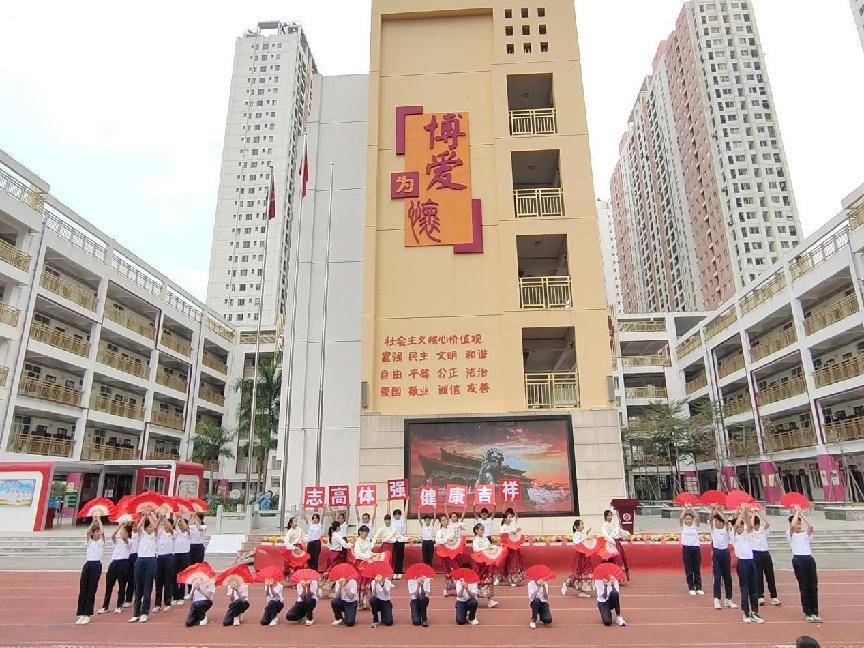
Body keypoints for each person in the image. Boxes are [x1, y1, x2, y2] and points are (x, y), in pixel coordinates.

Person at [788, 506, 821, 623]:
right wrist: (796, 512)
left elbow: (810, 526)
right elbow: (792, 526)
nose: (798, 526)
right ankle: (807, 612)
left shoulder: (804, 534)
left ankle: (815, 612)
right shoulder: (790, 534)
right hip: (798, 560)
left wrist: (802, 515)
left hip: (809, 559)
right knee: (804, 586)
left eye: (799, 524)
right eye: (797, 523)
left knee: (813, 586)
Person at [732, 505, 763, 624]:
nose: (740, 528)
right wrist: (740, 514)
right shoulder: (734, 536)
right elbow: (735, 526)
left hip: (751, 561)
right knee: (744, 588)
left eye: (741, 526)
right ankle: (746, 612)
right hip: (742, 562)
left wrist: (747, 512)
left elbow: (750, 525)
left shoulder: (746, 534)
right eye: (739, 527)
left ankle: (754, 612)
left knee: (753, 588)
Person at [75, 517, 105, 625]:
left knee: (91, 590)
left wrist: (99, 520)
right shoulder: (89, 542)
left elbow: (102, 531)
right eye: (96, 532)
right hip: (88, 565)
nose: (98, 533)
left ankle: (87, 614)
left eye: (98, 532)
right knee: (83, 590)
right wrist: (93, 521)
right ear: (93, 533)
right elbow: (88, 532)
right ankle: (81, 613)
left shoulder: (101, 542)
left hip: (96, 565)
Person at [130, 513, 158, 623]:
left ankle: (144, 612)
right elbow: (137, 527)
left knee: (148, 586)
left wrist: (150, 515)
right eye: (149, 527)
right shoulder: (141, 534)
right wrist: (143, 517)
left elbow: (156, 526)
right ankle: (136, 613)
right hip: (140, 560)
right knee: (138, 587)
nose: (151, 528)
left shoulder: (154, 535)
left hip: (151, 560)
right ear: (146, 528)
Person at [98, 522, 131, 615]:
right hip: (114, 563)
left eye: (124, 531)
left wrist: (124, 528)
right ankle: (105, 606)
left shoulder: (129, 541)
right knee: (109, 586)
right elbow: (112, 536)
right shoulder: (118, 541)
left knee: (122, 586)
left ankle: (119, 605)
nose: (122, 532)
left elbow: (124, 537)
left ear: (127, 533)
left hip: (123, 563)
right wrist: (119, 526)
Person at [709, 507, 736, 611]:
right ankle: (717, 599)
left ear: (720, 522)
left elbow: (726, 520)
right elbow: (710, 518)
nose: (715, 522)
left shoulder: (726, 529)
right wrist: (714, 509)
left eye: (717, 521)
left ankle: (728, 599)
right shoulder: (713, 529)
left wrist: (719, 511)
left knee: (727, 577)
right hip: (716, 553)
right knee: (717, 577)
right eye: (715, 521)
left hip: (725, 553)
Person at [470, 523, 501, 608]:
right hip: (479, 564)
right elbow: (476, 549)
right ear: (476, 531)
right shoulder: (475, 540)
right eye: (481, 529)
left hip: (487, 563)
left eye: (483, 529)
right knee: (477, 580)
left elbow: (490, 546)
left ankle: (490, 600)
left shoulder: (485, 538)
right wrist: (485, 549)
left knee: (488, 580)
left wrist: (495, 547)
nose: (483, 531)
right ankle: (474, 599)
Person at [751, 515, 780, 606]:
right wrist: (752, 514)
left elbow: (768, 523)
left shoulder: (763, 529)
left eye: (757, 525)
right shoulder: (750, 531)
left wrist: (758, 513)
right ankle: (760, 596)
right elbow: (750, 524)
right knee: (758, 576)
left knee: (770, 575)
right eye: (755, 525)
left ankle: (774, 597)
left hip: (765, 553)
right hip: (756, 553)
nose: (756, 526)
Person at [562, 517, 592, 598]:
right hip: (580, 556)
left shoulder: (583, 533)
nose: (583, 525)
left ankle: (582, 590)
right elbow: (576, 542)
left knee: (585, 572)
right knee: (578, 572)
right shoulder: (576, 535)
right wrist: (584, 538)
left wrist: (587, 535)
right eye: (581, 524)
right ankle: (569, 585)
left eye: (583, 523)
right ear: (577, 526)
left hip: (585, 555)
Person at [435, 514, 463, 597]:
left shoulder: (451, 528)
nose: (445, 521)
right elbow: (437, 540)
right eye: (443, 520)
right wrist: (446, 539)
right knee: (447, 571)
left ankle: (458, 588)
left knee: (456, 569)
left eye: (446, 520)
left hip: (452, 552)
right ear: (440, 522)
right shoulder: (440, 531)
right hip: (444, 553)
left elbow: (461, 526)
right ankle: (446, 589)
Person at [679, 503, 704, 596]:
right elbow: (681, 517)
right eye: (687, 519)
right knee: (688, 568)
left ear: (692, 520)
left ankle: (699, 587)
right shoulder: (683, 526)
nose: (688, 520)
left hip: (696, 549)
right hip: (686, 549)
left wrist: (692, 509)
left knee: (696, 568)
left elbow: (697, 517)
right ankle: (691, 587)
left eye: (690, 519)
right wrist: (685, 509)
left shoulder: (695, 526)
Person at [601, 509, 631, 581]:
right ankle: (610, 575)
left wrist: (626, 533)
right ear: (605, 517)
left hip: (616, 543)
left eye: (611, 515)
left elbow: (620, 531)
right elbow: (605, 534)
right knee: (611, 559)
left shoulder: (614, 524)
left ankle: (618, 576)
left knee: (619, 558)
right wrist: (611, 540)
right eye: (609, 515)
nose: (610, 517)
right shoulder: (604, 526)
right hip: (610, 544)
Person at [154, 517, 176, 612]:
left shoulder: (173, 534)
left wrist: (164, 518)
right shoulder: (160, 533)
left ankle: (167, 602)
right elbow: (155, 528)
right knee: (158, 582)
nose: (165, 526)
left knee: (168, 581)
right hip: (159, 558)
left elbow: (170, 528)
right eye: (164, 525)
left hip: (169, 557)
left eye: (166, 525)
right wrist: (159, 519)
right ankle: (157, 604)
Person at [500, 508, 524, 586]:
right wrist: (510, 533)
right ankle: (507, 579)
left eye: (511, 517)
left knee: (514, 564)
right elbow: (502, 536)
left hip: (514, 548)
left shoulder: (512, 525)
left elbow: (516, 535)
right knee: (507, 564)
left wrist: (517, 531)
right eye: (509, 517)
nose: (510, 519)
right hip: (507, 549)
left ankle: (513, 580)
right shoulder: (503, 527)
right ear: (505, 518)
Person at [172, 517, 191, 605]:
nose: (180, 525)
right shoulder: (176, 533)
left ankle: (181, 597)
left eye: (182, 524)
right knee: (175, 576)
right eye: (179, 524)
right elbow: (171, 528)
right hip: (176, 555)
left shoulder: (188, 533)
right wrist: (177, 520)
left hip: (184, 555)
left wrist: (181, 517)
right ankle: (175, 596)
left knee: (183, 576)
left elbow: (186, 528)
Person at [391, 508, 408, 579]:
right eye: (395, 515)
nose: (397, 516)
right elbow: (388, 512)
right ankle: (394, 572)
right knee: (394, 557)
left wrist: (407, 500)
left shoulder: (402, 520)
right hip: (394, 540)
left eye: (398, 515)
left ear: (400, 515)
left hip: (401, 540)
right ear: (394, 515)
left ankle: (399, 572)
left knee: (400, 557)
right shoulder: (392, 521)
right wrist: (388, 501)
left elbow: (406, 512)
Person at [125, 520, 138, 607]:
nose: (133, 526)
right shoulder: (127, 535)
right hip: (127, 557)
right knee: (129, 578)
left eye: (134, 524)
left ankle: (138, 596)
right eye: (132, 524)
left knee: (136, 578)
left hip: (136, 556)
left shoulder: (139, 533)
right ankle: (128, 598)